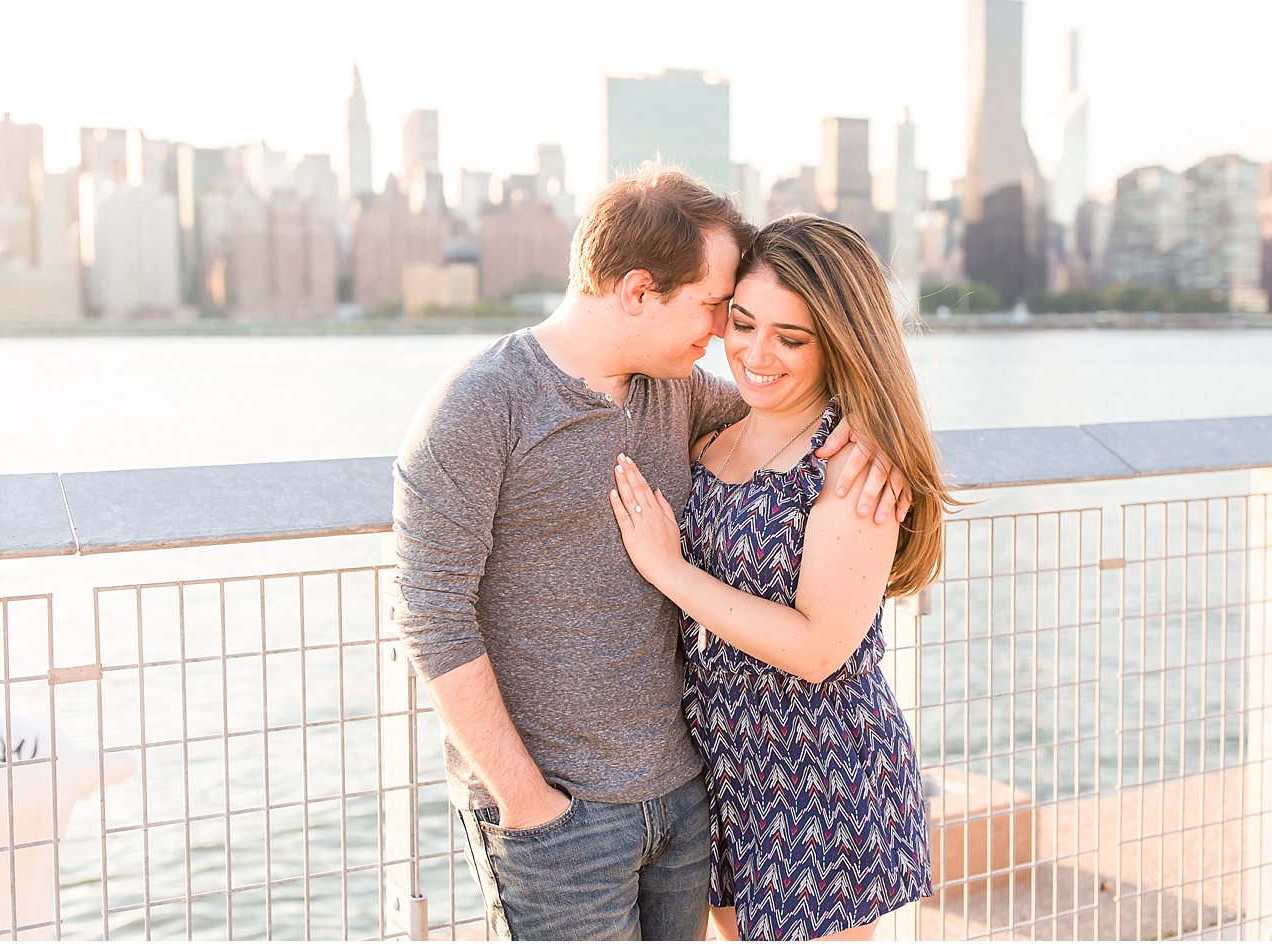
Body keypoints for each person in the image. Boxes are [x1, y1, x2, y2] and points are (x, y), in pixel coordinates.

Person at [392, 168, 906, 941]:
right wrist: (528, 802)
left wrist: (866, 438)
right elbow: (432, 618)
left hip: (687, 799)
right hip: (559, 818)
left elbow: (796, 417)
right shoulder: (479, 405)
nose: (723, 337)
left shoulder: (679, 393)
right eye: (716, 309)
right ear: (638, 291)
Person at [609, 213, 955, 941]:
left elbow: (819, 647)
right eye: (741, 323)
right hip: (726, 771)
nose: (755, 354)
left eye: (790, 338)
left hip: (821, 778)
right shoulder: (712, 427)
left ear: (838, 340)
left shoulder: (849, 464)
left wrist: (668, 569)